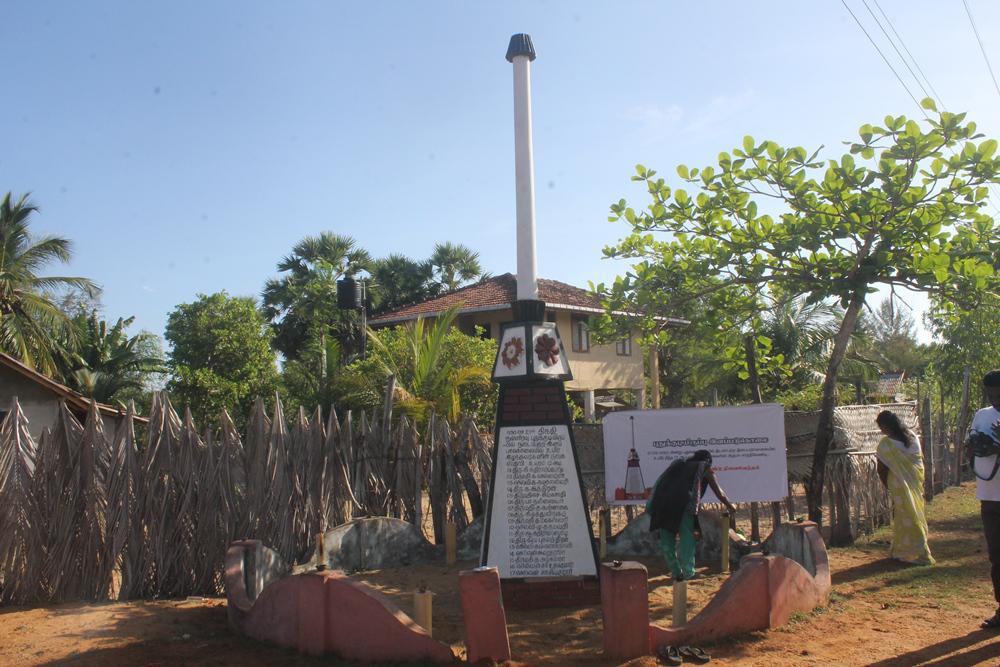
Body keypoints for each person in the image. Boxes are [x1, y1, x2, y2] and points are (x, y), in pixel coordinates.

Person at [646, 449, 735, 581]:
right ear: (707, 461)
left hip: (662, 505)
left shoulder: (677, 465)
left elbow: (659, 483)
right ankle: (688, 573)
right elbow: (719, 493)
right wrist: (730, 506)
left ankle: (676, 572)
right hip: (683, 505)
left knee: (667, 541)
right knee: (687, 539)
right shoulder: (704, 467)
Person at [874, 410, 934, 565]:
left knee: (908, 516)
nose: (881, 431)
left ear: (885, 426)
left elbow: (881, 469)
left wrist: (887, 484)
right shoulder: (912, 437)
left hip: (898, 484)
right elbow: (918, 463)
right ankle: (901, 551)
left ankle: (920, 551)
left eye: (881, 427)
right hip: (914, 482)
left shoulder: (886, 444)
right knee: (912, 513)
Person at [965, 369, 1000, 630]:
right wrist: (976, 445)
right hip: (988, 496)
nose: (995, 400)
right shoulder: (982, 415)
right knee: (997, 557)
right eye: (991, 395)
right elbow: (971, 446)